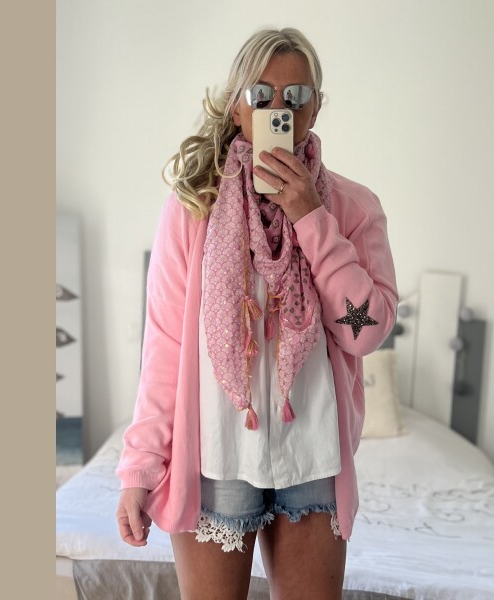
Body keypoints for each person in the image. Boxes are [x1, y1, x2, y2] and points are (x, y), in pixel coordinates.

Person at [115, 27, 398, 600]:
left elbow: (366, 331)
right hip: (215, 457)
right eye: (261, 94)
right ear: (236, 106)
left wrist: (311, 217)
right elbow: (165, 347)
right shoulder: (194, 206)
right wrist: (140, 469)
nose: (278, 110)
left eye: (296, 97)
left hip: (312, 457)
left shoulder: (353, 207)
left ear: (315, 108)